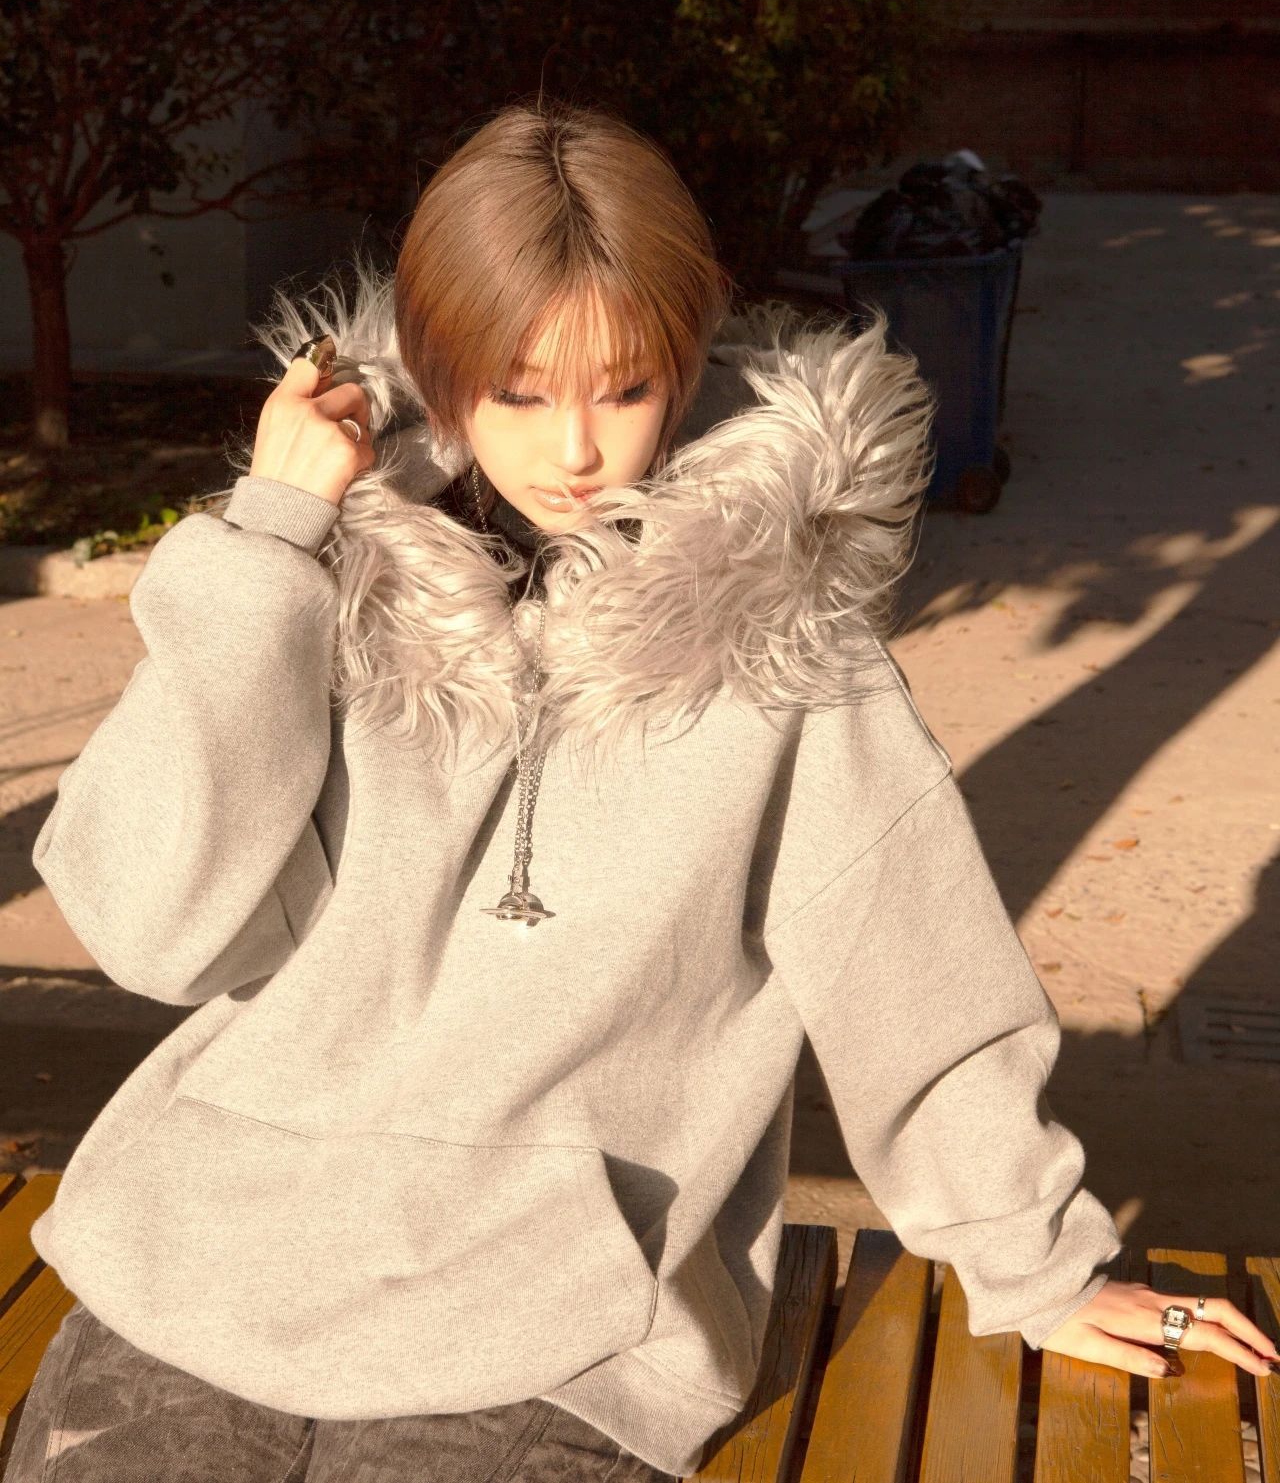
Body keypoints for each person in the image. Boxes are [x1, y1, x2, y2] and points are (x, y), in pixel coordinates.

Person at [13, 98, 1275, 1482]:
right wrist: (267, 543)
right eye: (520, 391)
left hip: (559, 1314)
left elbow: (910, 966)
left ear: (683, 358)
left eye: (622, 388)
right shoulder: (317, 588)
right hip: (214, 1239)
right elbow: (156, 933)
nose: (576, 450)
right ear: (437, 368)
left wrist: (1037, 1264)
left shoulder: (783, 651)